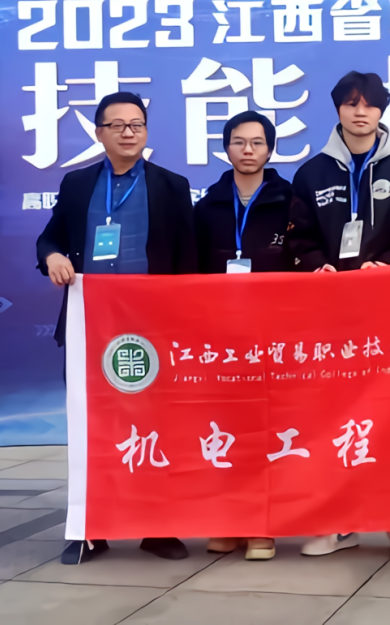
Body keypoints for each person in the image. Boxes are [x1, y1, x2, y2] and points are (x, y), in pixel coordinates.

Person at [35, 91, 198, 566]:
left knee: (156, 428)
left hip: (153, 330)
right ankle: (91, 529)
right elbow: (50, 238)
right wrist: (52, 256)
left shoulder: (172, 185)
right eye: (118, 125)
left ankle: (157, 527)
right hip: (92, 329)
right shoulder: (77, 184)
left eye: (137, 124)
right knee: (94, 429)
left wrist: (185, 325)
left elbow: (187, 259)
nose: (129, 133)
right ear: (99, 133)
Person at [286, 71, 390, 562]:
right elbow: (298, 238)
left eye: (369, 104)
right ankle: (338, 522)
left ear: (381, 111)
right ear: (337, 110)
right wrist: (316, 266)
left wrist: (389, 266)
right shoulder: (311, 173)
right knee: (335, 418)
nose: (360, 112)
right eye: (351, 103)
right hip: (331, 316)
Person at [194, 110, 292, 561]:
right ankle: (230, 520)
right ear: (226, 148)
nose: (248, 150)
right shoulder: (207, 206)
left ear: (270, 149)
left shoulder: (291, 202)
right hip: (221, 336)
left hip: (273, 332)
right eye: (238, 141)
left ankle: (262, 526)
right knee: (224, 429)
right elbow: (189, 270)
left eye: (257, 142)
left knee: (265, 428)